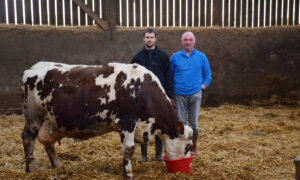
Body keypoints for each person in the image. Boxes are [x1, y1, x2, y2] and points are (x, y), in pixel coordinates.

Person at [131, 28, 174, 163]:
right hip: (142, 98)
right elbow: (131, 77)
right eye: (147, 37)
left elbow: (169, 77)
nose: (149, 39)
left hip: (159, 98)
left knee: (159, 125)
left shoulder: (163, 56)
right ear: (143, 39)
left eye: (151, 37)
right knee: (143, 125)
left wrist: (170, 96)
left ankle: (158, 154)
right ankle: (143, 155)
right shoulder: (137, 57)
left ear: (156, 39)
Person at [170, 31, 212, 155]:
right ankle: (183, 147)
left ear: (194, 41)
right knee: (181, 123)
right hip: (179, 94)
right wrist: (171, 94)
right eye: (185, 40)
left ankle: (193, 147)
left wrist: (202, 87)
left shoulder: (201, 57)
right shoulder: (175, 57)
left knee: (193, 123)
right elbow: (170, 75)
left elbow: (208, 75)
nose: (188, 42)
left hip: (195, 94)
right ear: (181, 42)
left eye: (190, 40)